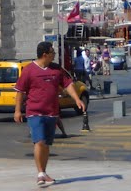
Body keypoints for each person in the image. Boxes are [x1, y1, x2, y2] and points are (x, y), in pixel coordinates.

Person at [14, 41, 86, 187]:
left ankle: (44, 172)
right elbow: (20, 91)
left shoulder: (56, 69)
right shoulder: (29, 70)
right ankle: (40, 174)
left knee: (46, 144)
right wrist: (17, 111)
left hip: (52, 112)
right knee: (39, 141)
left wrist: (77, 99)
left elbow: (68, 85)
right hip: (35, 111)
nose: (54, 55)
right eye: (52, 52)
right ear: (45, 54)